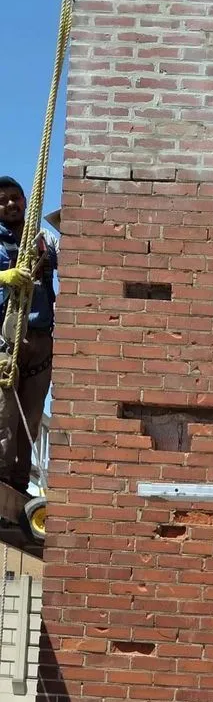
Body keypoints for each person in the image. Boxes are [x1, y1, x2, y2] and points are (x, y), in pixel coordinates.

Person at [0, 177, 58, 495]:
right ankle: (1, 479)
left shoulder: (43, 239)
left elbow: (73, 260)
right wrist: (4, 276)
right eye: (3, 200)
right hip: (6, 339)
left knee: (31, 418)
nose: (11, 204)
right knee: (3, 415)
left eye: (15, 198)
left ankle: (20, 484)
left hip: (39, 340)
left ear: (25, 200)